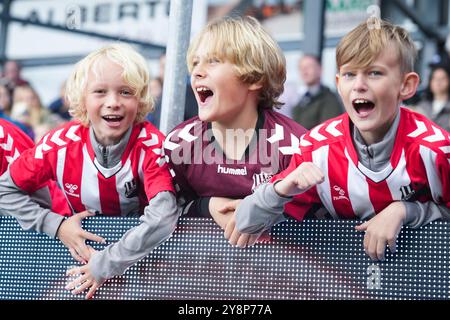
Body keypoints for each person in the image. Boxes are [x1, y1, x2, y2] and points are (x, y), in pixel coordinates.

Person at [235, 18, 450, 261]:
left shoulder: (436, 149)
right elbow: (245, 223)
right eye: (349, 74)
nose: (359, 85)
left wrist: (405, 210)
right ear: (338, 84)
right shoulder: (315, 148)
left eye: (374, 73)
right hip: (342, 280)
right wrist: (281, 189)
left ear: (406, 85)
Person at [0, 43, 179, 299]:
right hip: (80, 256)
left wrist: (105, 263)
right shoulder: (58, 145)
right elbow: (5, 189)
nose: (113, 102)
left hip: (144, 262)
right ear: (82, 99)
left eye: (125, 92)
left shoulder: (151, 146)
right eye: (100, 92)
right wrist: (57, 226)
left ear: (140, 99)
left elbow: (164, 217)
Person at [164, 16, 307, 247]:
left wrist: (265, 209)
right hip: (201, 273)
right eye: (196, 62)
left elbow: (322, 220)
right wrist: (207, 206)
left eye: (213, 61)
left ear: (254, 78)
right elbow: (159, 213)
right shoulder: (179, 144)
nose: (197, 72)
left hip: (278, 274)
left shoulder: (295, 145)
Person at [0, 118, 71, 217]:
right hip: (33, 216)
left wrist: (57, 225)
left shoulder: (5, 133)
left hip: (52, 217)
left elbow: (39, 198)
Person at [292, 55, 343, 129]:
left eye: (308, 67)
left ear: (320, 70)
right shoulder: (300, 99)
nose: (304, 71)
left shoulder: (329, 99)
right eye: (301, 68)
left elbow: (328, 130)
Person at [414, 65, 450, 131]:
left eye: (442, 78)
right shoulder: (421, 106)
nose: (438, 82)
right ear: (430, 82)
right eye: (435, 78)